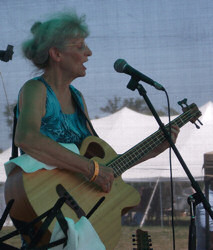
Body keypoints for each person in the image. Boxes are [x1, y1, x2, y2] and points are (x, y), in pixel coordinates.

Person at [6, 10, 180, 248]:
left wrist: (152, 151)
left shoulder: (78, 98)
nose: (88, 53)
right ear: (56, 54)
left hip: (77, 207)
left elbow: (103, 165)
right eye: (80, 47)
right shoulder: (36, 89)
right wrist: (91, 169)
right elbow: (26, 138)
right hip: (44, 200)